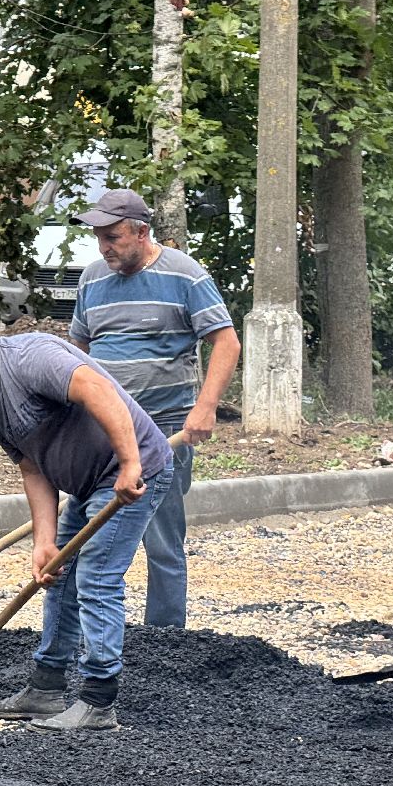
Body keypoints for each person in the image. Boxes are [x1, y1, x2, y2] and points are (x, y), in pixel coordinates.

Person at [0, 311, 173, 732]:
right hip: (90, 485)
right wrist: (44, 543)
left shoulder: (33, 358)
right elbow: (33, 469)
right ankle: (47, 688)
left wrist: (130, 463)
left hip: (133, 472)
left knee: (97, 577)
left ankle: (98, 701)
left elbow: (98, 390)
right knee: (57, 576)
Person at [67, 188, 240, 627]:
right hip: (102, 426)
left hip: (164, 427)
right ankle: (86, 632)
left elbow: (226, 341)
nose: (105, 247)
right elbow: (78, 351)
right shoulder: (91, 279)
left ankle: (165, 640)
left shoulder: (185, 275)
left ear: (142, 232)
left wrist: (205, 408)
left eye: (113, 237)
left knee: (162, 537)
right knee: (90, 531)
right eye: (99, 238)